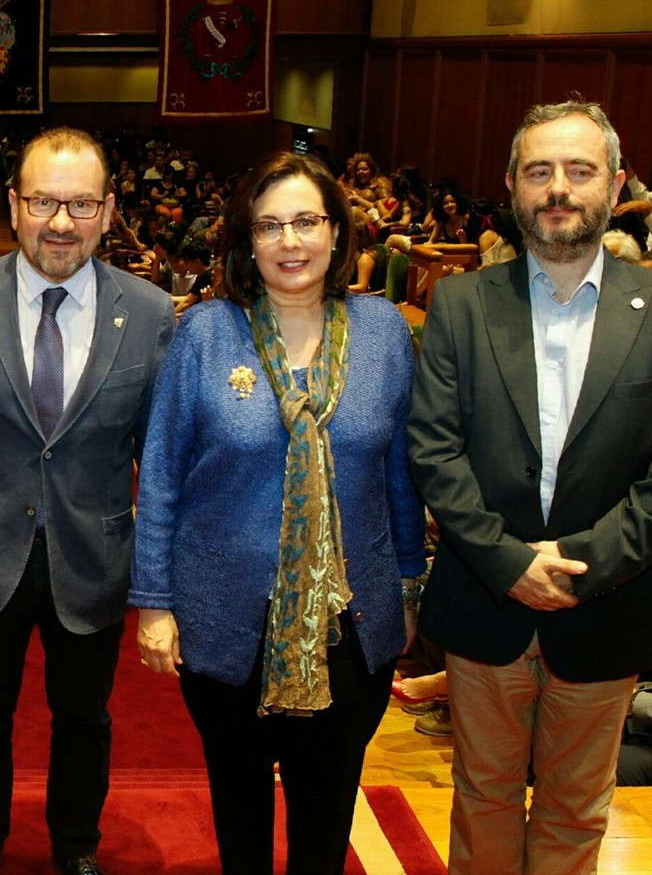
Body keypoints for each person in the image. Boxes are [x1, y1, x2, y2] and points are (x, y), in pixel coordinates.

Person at [131, 152, 426, 875]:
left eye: (306, 221)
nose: (289, 241)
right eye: (270, 225)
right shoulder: (204, 335)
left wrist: (411, 583)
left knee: (326, 815)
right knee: (239, 806)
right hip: (226, 622)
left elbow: (402, 471)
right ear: (246, 240)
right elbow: (162, 474)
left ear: (337, 232)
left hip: (348, 627)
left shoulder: (384, 330)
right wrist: (153, 602)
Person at [0, 127, 176, 875]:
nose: (60, 221)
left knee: (85, 719)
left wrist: (157, 583)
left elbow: (164, 460)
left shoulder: (149, 312)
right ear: (14, 204)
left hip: (95, 555)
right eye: (45, 200)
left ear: (110, 210)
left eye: (80, 203)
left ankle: (76, 845)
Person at [408, 99, 652, 875]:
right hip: (487, 602)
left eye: (580, 171)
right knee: (481, 796)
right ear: (513, 184)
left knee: (575, 810)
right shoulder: (459, 301)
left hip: (607, 604)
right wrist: (510, 562)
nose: (559, 188)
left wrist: (582, 560)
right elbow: (434, 449)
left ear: (616, 184)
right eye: (540, 171)